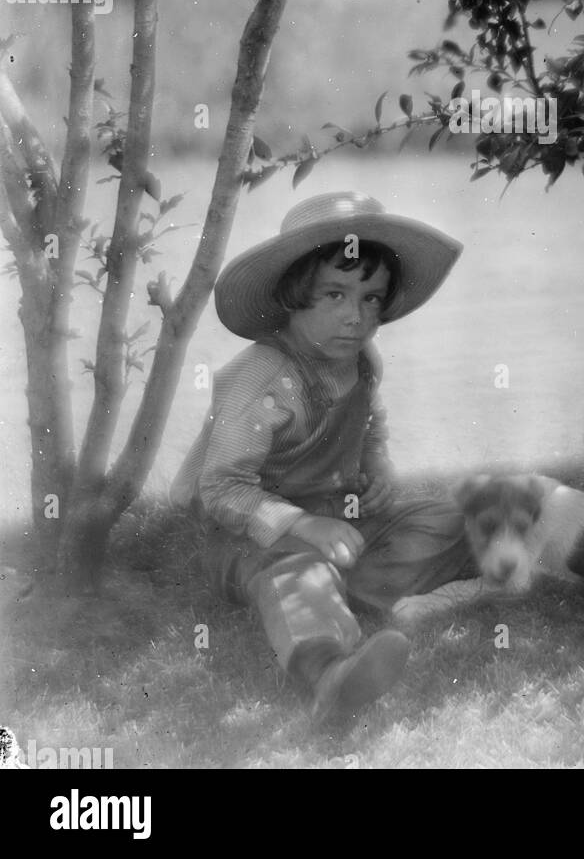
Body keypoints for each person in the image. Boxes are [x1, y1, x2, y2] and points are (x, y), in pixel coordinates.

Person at [171, 191, 479, 727]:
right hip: (254, 537)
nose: (355, 318)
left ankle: (526, 555)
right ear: (294, 294)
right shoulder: (259, 376)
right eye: (334, 295)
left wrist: (377, 467)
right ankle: (330, 674)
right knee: (296, 574)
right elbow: (219, 489)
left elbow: (370, 423)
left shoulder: (360, 359)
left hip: (341, 518)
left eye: (371, 299)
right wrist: (302, 524)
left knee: (457, 519)